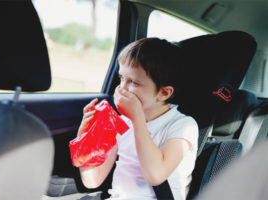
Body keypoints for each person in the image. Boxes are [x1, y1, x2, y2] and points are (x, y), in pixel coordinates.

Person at [76, 38, 198, 200]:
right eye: (121, 78)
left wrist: (137, 119)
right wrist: (85, 137)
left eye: (133, 82)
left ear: (164, 93)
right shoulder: (123, 121)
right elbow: (92, 180)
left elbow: (155, 176)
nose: (122, 88)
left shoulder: (183, 126)